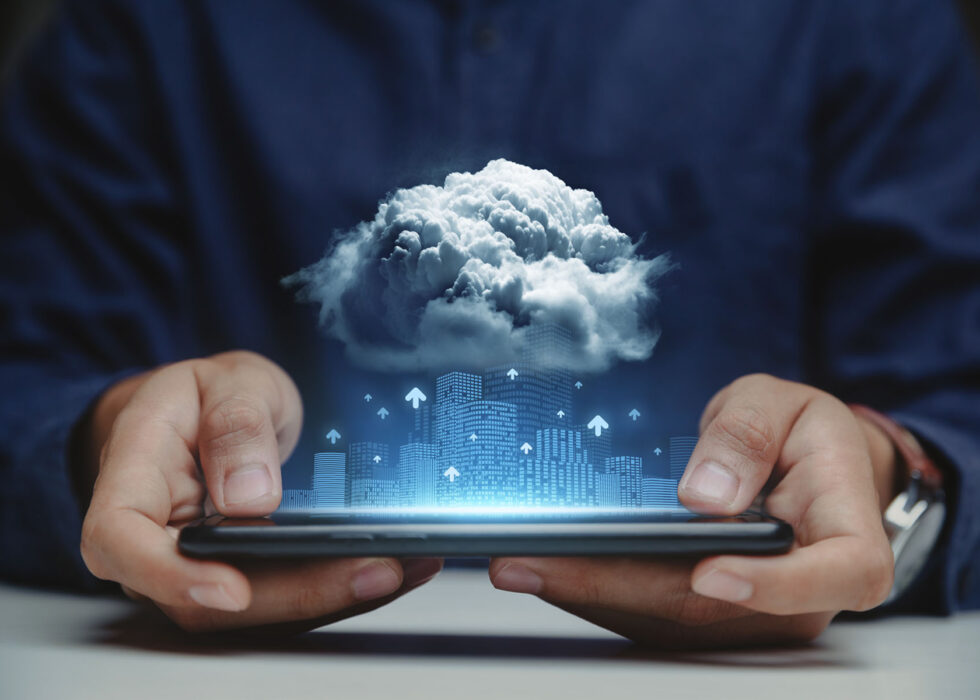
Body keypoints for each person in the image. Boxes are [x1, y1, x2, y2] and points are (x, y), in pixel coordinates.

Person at [1, 0, 978, 648]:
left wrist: (891, 476)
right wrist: (108, 436)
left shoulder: (863, 17)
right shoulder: (136, 22)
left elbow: (952, 399)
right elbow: (28, 378)